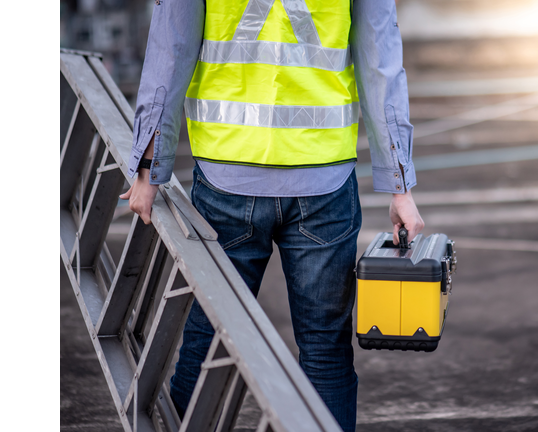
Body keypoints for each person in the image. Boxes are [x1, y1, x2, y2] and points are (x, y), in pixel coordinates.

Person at [119, 0, 424, 430]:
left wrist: (150, 167)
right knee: (324, 350)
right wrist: (400, 188)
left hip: (228, 176)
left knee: (208, 339)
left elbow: (172, 48)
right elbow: (381, 63)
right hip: (323, 182)